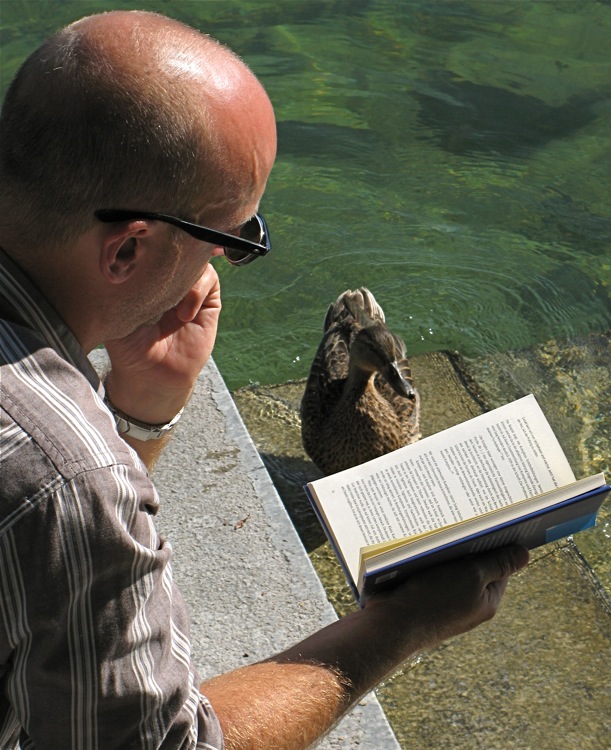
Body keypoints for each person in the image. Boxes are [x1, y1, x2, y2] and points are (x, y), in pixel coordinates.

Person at [0, 10, 529, 749]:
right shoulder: (67, 481)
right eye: (234, 239)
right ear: (126, 252)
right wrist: (402, 623)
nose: (223, 267)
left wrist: (141, 415)